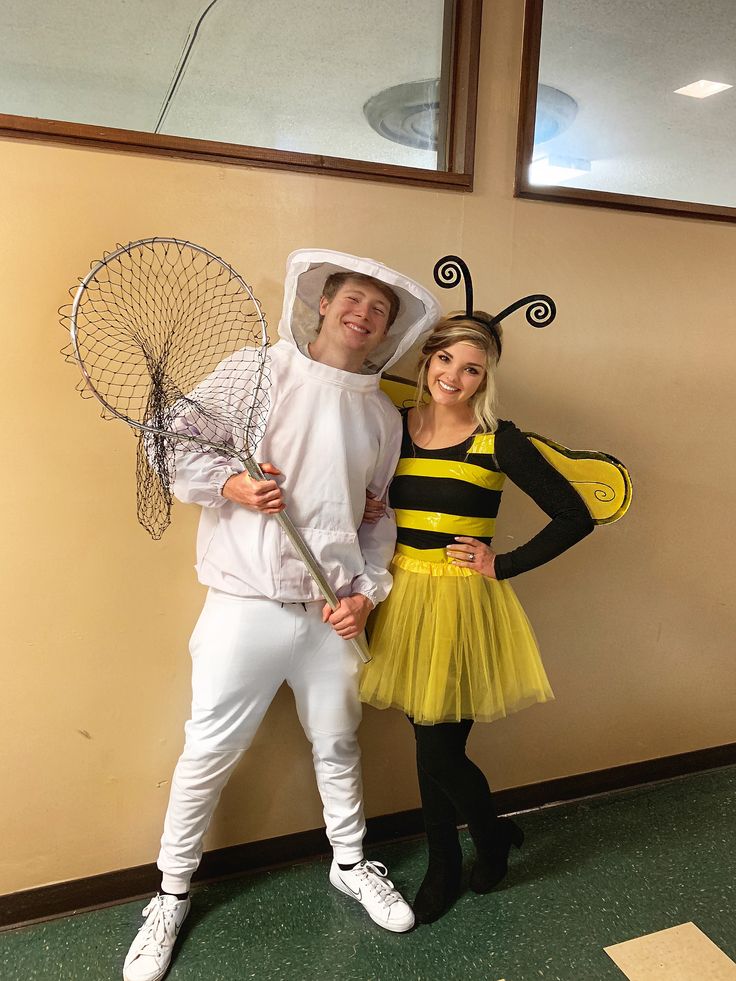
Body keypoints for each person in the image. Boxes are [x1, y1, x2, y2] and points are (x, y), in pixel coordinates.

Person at [122, 249, 441, 981]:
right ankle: (170, 892)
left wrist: (366, 592)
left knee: (338, 743)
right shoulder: (258, 367)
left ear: (389, 328)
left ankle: (352, 860)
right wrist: (231, 483)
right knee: (208, 751)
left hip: (329, 616)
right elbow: (167, 439)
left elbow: (374, 519)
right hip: (247, 604)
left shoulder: (383, 415)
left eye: (380, 309)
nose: (364, 315)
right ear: (324, 303)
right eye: (353, 299)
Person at [359, 311, 595, 924]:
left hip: (463, 604)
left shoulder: (499, 437)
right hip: (403, 594)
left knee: (440, 752)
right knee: (425, 741)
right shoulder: (395, 427)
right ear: (427, 360)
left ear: (485, 377)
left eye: (472, 369)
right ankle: (452, 855)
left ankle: (484, 839)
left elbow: (574, 515)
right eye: (445, 361)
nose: (454, 377)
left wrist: (503, 563)